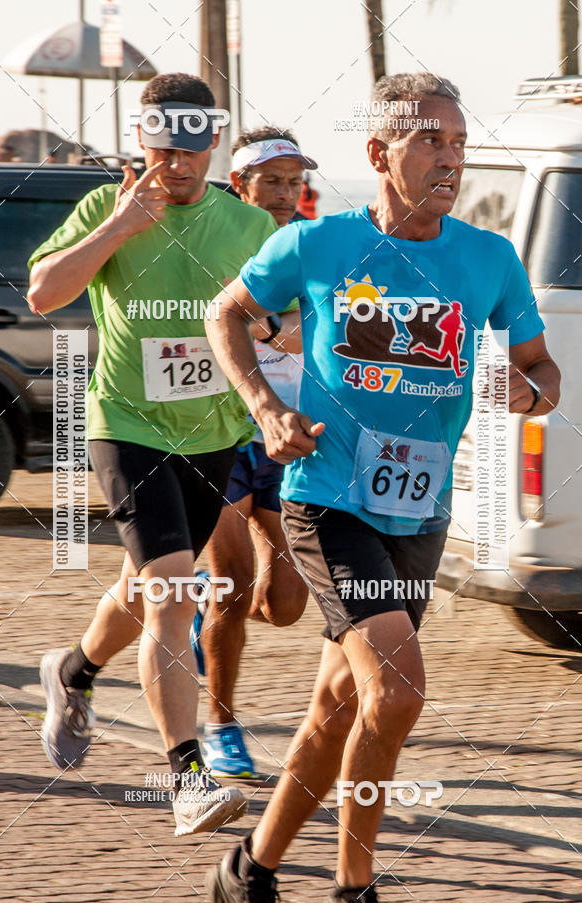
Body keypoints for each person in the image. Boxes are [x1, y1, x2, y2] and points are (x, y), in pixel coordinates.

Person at [204, 72, 561, 901]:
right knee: (396, 690)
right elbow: (225, 312)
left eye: (460, 142)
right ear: (379, 152)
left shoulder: (489, 257)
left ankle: (249, 866)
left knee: (339, 709)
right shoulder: (315, 245)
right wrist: (263, 405)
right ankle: (353, 887)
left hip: (420, 512)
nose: (451, 158)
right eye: (430, 140)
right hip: (328, 498)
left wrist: (530, 389)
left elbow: (543, 368)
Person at [26, 72, 278, 836]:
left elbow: (291, 320)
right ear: (141, 138)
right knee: (175, 593)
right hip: (125, 425)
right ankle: (187, 777)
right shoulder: (106, 206)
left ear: (214, 143)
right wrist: (117, 231)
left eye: (195, 144)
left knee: (146, 586)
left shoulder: (248, 226)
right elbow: (41, 292)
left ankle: (73, 671)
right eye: (164, 144)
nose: (178, 161)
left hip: (212, 433)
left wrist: (263, 332)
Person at [197, 128, 317, 778]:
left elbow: (318, 330)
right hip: (221, 430)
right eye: (271, 180)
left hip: (290, 437)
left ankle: (201, 609)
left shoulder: (312, 248)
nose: (284, 193)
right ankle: (220, 723)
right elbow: (209, 320)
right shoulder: (214, 240)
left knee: (285, 604)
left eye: (294, 181)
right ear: (239, 184)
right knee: (233, 587)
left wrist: (280, 328)